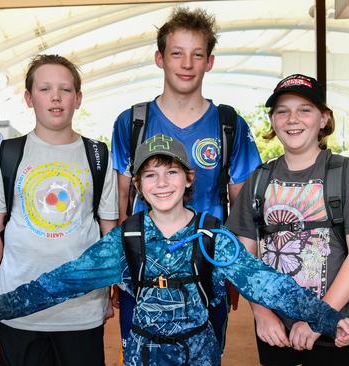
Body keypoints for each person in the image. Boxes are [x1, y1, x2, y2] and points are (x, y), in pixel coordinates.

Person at [0, 134, 349, 366]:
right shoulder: (126, 241)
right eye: (150, 175)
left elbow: (267, 284)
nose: (162, 183)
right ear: (137, 185)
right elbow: (61, 282)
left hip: (201, 353)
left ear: (189, 179)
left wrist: (324, 316)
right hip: (143, 354)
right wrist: (2, 305)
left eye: (171, 172)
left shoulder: (212, 235)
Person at [110, 6, 262, 350]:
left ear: (209, 61)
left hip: (206, 269)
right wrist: (119, 267)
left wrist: (236, 265)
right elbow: (119, 200)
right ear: (159, 58)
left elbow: (242, 204)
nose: (187, 64)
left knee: (203, 355)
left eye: (197, 55)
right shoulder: (132, 122)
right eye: (176, 53)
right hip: (143, 269)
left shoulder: (228, 124)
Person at [226, 74, 349, 366]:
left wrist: (318, 318)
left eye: (305, 110)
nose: (292, 119)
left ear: (323, 119)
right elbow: (241, 257)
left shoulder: (345, 173)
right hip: (276, 322)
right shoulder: (259, 180)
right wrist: (262, 314)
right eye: (282, 111)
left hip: (336, 316)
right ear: (273, 121)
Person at [0, 54, 118, 366]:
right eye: (45, 89)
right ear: (29, 98)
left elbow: (109, 232)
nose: (55, 97)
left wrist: (109, 289)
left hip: (81, 306)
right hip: (19, 305)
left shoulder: (97, 155)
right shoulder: (8, 153)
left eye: (65, 89)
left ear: (78, 98)